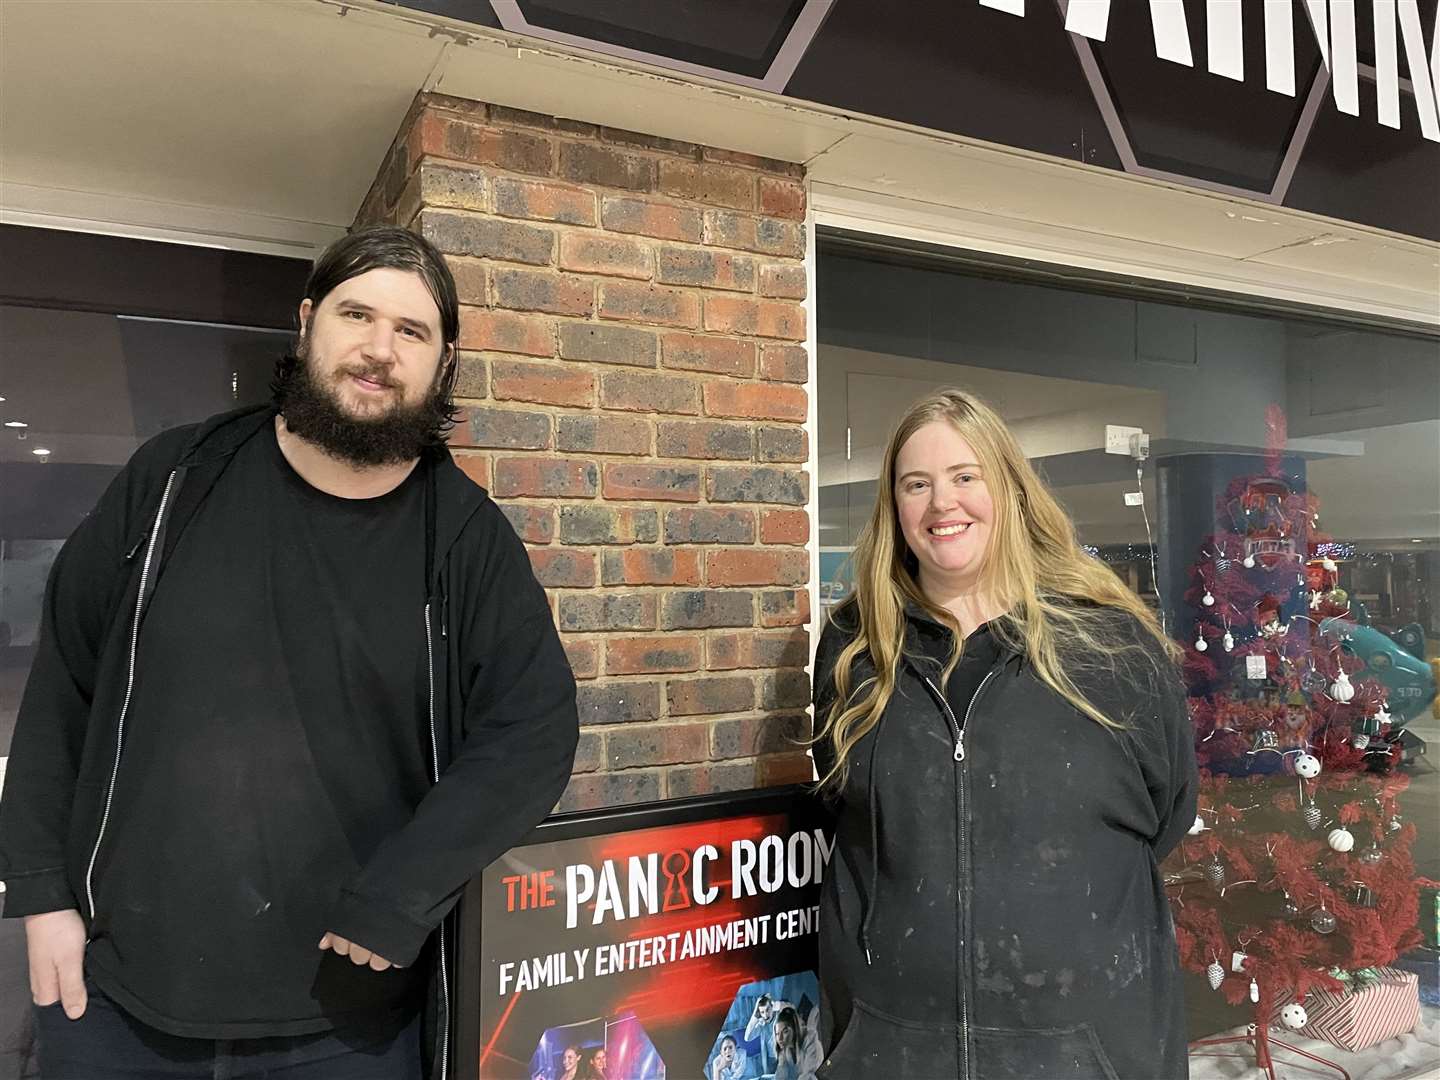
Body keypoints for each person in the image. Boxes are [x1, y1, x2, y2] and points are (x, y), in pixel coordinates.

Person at [0, 226, 580, 1078]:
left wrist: (404, 894)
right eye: (357, 315)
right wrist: (42, 890)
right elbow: (64, 686)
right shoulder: (173, 481)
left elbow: (532, 731)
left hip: (349, 1023)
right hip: (118, 996)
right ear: (309, 322)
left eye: (411, 332)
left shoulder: (462, 536)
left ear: (443, 363)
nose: (379, 350)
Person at [811, 389, 1197, 1079]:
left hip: (1082, 1051)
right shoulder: (854, 648)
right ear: (894, 507)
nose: (941, 504)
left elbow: (1168, 812)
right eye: (916, 484)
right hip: (891, 1049)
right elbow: (852, 819)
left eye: (965, 477)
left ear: (1010, 490)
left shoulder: (1110, 646)